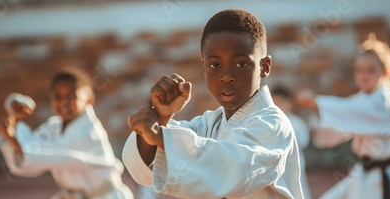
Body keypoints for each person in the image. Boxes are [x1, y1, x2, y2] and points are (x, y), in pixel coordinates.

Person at [122, 9, 304, 199]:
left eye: (241, 64)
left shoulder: (274, 124)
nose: (226, 76)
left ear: (264, 67)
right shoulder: (210, 123)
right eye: (215, 65)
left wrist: (161, 137)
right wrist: (160, 118)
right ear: (204, 68)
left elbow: (235, 167)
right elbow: (150, 169)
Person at [296, 33, 390, 199]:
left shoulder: (386, 100)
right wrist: (321, 133)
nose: (364, 75)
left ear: (385, 72)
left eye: (371, 70)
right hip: (369, 175)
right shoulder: (361, 100)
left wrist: (316, 103)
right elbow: (346, 123)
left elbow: (351, 111)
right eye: (359, 70)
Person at [0, 67, 134, 199]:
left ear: (89, 99)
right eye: (58, 97)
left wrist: (10, 137)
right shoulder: (54, 125)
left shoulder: (88, 132)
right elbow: (27, 150)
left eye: (71, 97)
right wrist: (12, 119)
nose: (64, 103)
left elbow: (33, 158)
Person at [272, 86, 312, 199]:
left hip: (294, 161)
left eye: (280, 102)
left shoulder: (297, 122)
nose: (277, 105)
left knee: (297, 189)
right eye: (274, 102)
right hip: (275, 164)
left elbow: (303, 141)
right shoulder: (269, 122)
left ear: (289, 103)